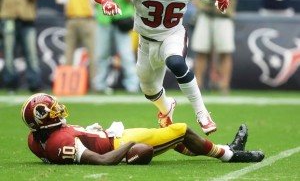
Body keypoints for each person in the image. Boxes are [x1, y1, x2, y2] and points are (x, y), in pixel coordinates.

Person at [91, 0, 230, 135]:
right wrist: (105, 1)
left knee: (176, 62)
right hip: (146, 40)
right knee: (148, 88)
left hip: (172, 34)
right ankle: (166, 108)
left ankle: (202, 113)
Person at [21, 93, 265, 165]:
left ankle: (222, 149)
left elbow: (65, 145)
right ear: (42, 120)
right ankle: (230, 154)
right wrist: (124, 144)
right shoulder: (59, 141)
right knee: (179, 129)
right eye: (52, 111)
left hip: (110, 138)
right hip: (117, 143)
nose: (58, 111)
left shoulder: (37, 140)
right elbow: (102, 160)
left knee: (167, 137)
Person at [190, 0, 238, 94]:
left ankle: (224, 85)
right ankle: (198, 83)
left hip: (223, 15)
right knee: (201, 50)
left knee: (225, 50)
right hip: (205, 13)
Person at [93, 0, 139, 94]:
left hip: (121, 21)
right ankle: (100, 85)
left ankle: (132, 85)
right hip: (104, 20)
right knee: (102, 54)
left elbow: (131, 0)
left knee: (126, 54)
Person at [0, 0, 42, 92]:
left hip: (27, 19)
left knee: (31, 53)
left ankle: (34, 84)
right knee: (9, 53)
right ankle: (10, 84)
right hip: (9, 18)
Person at [55, 0, 98, 88]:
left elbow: (61, 0)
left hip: (71, 19)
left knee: (68, 53)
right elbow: (96, 1)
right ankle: (95, 85)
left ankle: (65, 85)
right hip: (87, 20)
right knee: (93, 53)